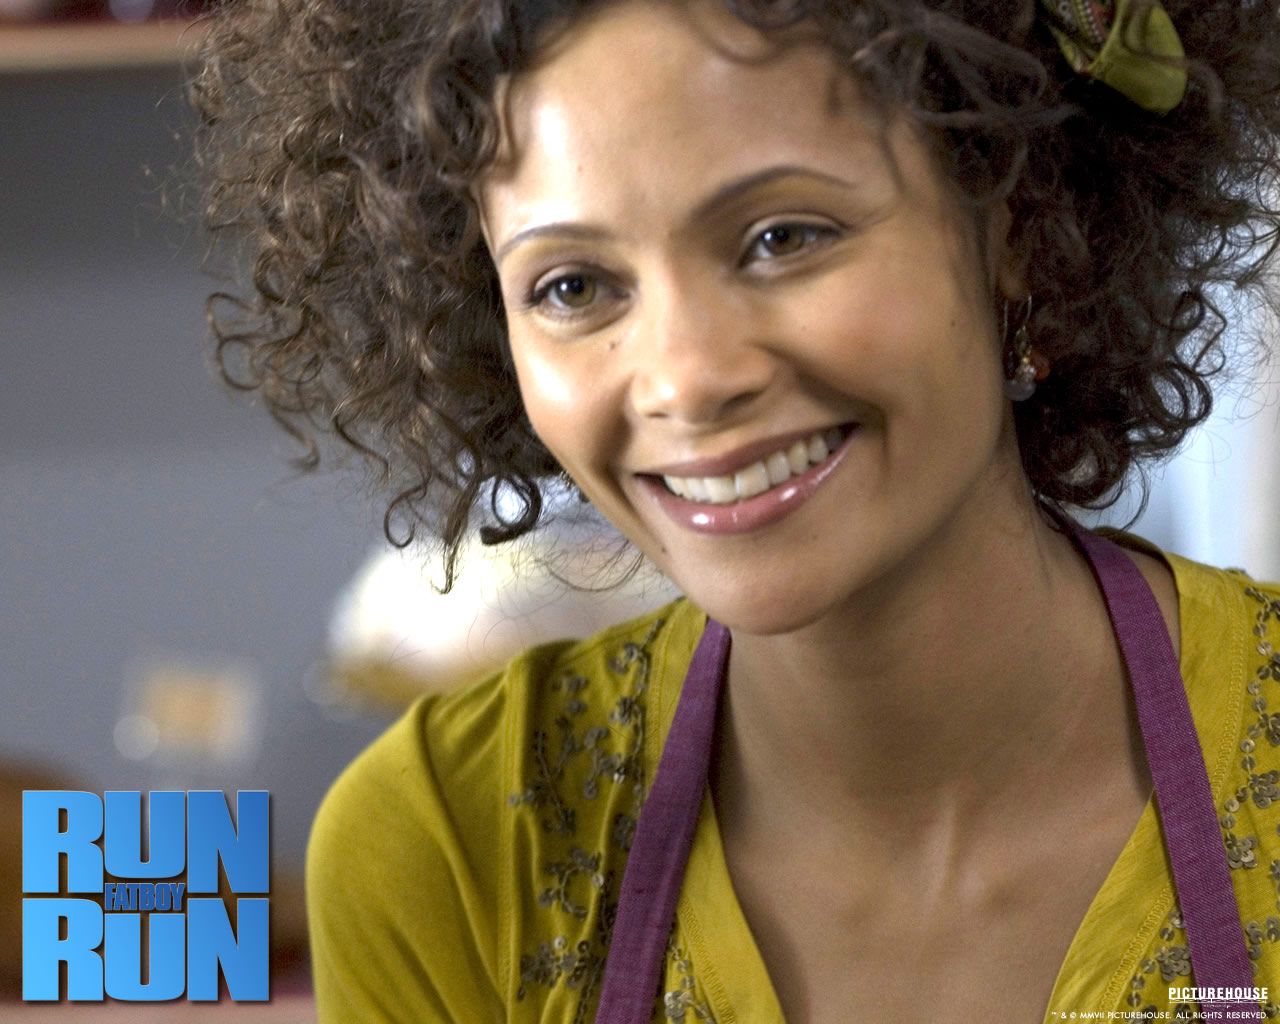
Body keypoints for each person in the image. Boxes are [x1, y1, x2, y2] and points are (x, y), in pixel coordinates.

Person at [190, 0, 1280, 1020]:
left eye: (783, 237)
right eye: (573, 287)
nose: (687, 377)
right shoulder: (451, 847)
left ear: (1018, 227)